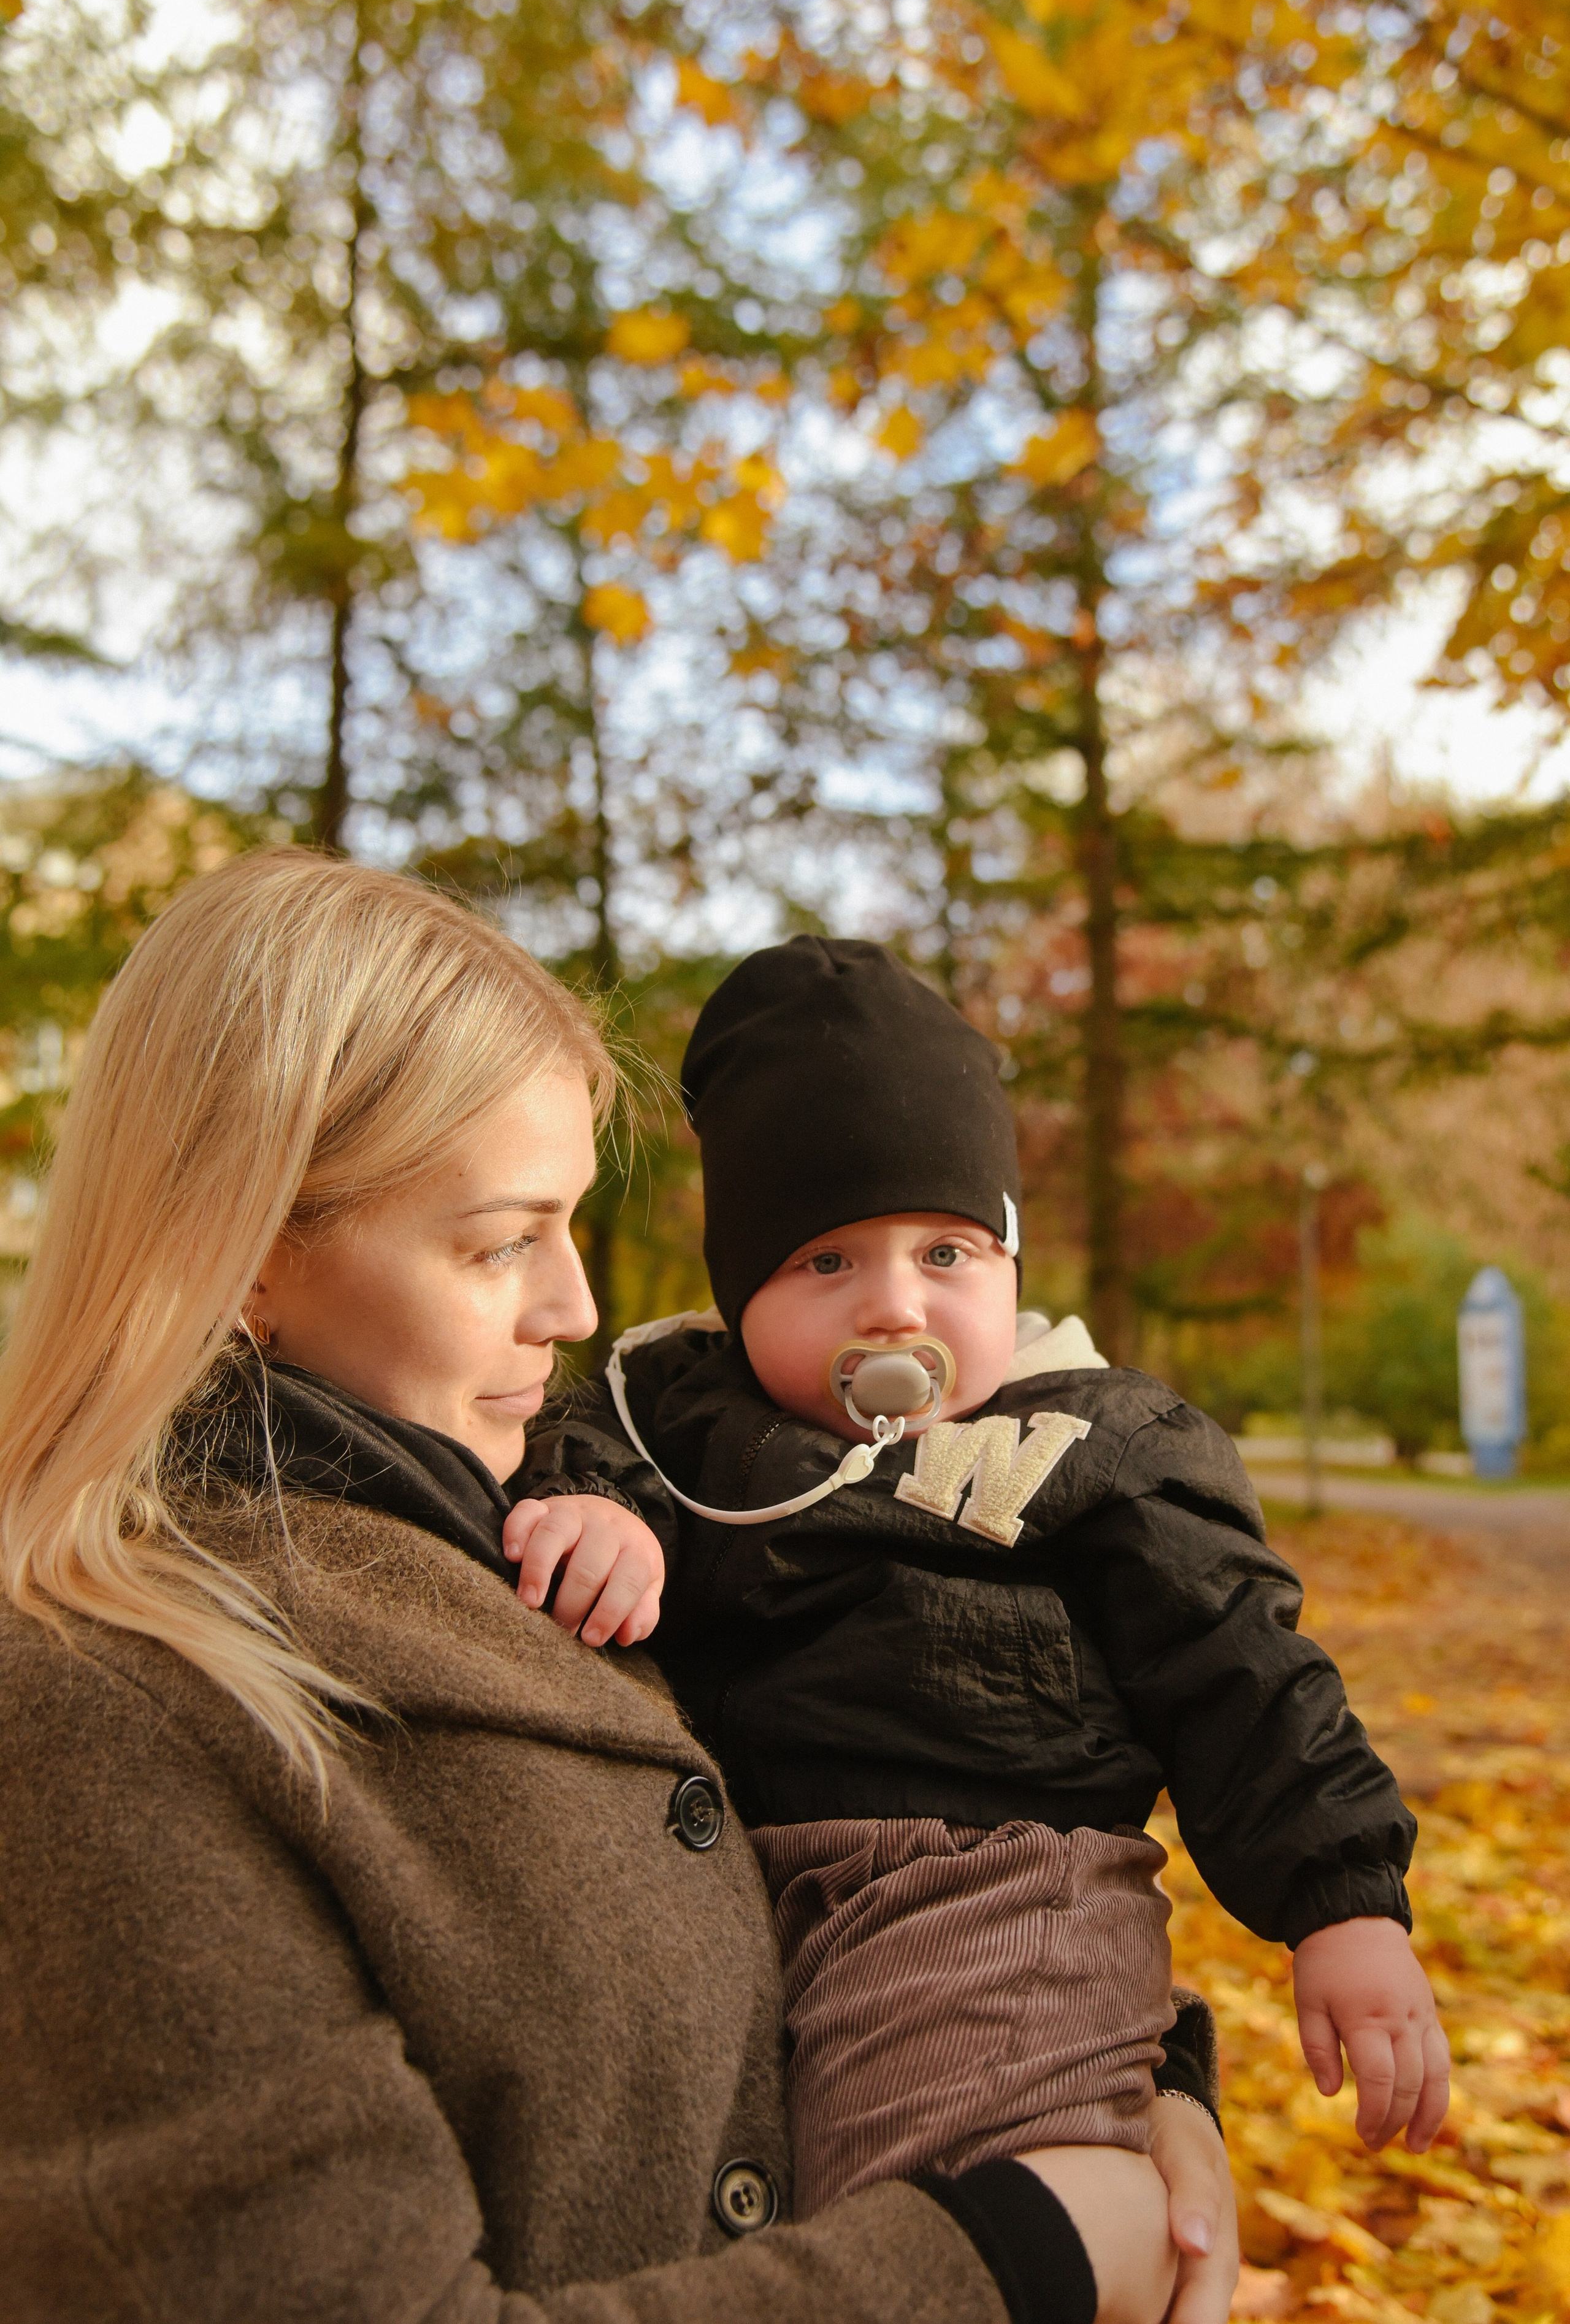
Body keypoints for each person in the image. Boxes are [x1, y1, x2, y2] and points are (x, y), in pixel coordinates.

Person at [0, 856, 1237, 2324]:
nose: (576, 1307)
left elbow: (853, 1796)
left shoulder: (543, 1516)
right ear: (252, 1248)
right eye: (501, 1239)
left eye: (570, 1225)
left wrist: (1124, 2080)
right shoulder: (103, 1701)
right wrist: (1004, 2251)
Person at [516, 937, 1451, 2314]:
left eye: (946, 1250)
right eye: (825, 1258)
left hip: (993, 1890)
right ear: (737, 1292)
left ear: (1010, 1259)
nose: (894, 1301)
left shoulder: (1100, 1441)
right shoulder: (674, 1431)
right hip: (743, 1898)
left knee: (938, 2202)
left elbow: (1242, 1669)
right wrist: (590, 1514)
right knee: (777, 2221)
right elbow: (556, 1450)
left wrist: (1341, 1900)